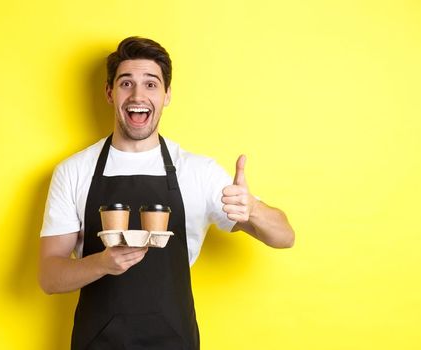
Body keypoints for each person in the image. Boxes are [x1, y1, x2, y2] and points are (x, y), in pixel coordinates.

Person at [38, 36, 295, 350]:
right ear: (109, 92)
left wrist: (252, 208)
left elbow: (285, 237)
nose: (137, 95)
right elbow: (49, 276)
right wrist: (103, 263)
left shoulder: (197, 171)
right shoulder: (75, 171)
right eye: (125, 83)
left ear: (167, 94)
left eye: (150, 84)